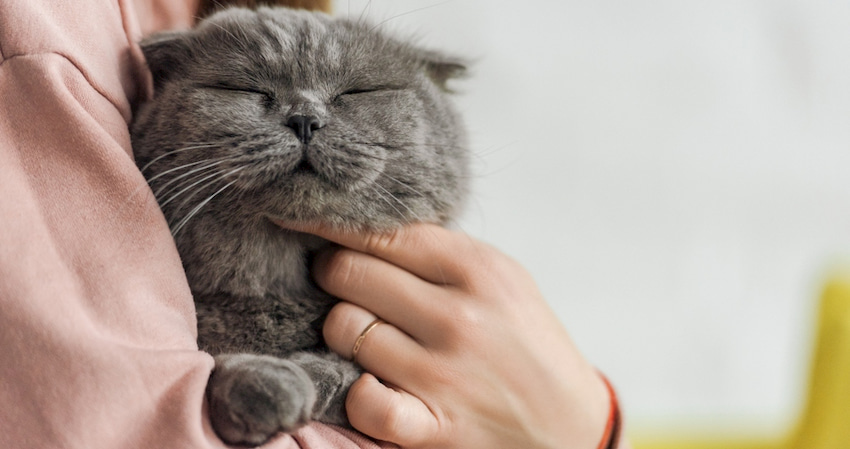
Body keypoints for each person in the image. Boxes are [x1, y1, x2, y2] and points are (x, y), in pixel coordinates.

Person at [0, 0, 628, 448]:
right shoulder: (52, 31)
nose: (305, 117)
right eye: (242, 90)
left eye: (357, 97)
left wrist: (583, 425)